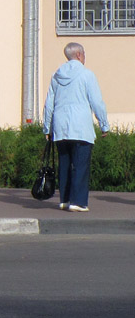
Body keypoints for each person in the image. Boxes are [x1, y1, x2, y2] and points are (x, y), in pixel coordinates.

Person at [42, 42, 109, 212]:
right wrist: (103, 124)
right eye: (84, 53)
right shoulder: (87, 75)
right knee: (80, 164)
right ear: (79, 55)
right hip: (81, 127)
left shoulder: (56, 75)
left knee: (64, 163)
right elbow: (96, 102)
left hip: (60, 125)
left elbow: (49, 103)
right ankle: (78, 202)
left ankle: (64, 200)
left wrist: (47, 128)